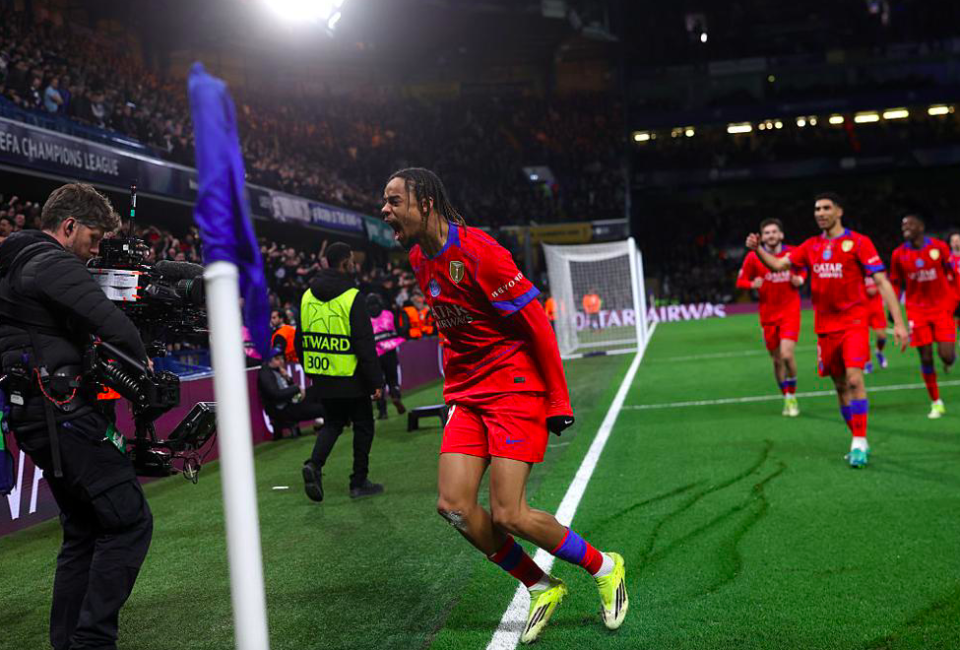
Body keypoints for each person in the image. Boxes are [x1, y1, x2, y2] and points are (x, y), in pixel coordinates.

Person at [381, 167, 628, 644]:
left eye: (394, 201)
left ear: (425, 202)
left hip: (514, 388)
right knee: (453, 506)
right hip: (466, 394)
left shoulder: (481, 253)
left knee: (509, 514)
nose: (385, 210)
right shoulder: (417, 257)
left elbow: (537, 324)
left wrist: (557, 398)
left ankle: (604, 566)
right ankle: (540, 585)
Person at [0, 183, 153, 650]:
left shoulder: (15, 261)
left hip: (36, 414)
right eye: (93, 238)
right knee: (128, 521)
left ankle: (68, 642)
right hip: (61, 411)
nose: (94, 251)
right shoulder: (51, 262)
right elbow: (112, 324)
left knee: (84, 531)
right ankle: (91, 642)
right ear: (68, 226)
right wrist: (144, 363)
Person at [746, 192, 907, 468]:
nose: (820, 213)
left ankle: (858, 441)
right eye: (817, 209)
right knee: (840, 386)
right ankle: (858, 437)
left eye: (825, 208)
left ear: (839, 211)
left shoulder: (859, 242)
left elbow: (882, 281)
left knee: (855, 380)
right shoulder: (811, 246)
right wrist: (757, 249)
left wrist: (899, 322)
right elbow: (778, 264)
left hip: (854, 322)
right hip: (825, 328)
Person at [298, 242, 385, 501]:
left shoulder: (306, 295)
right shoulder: (353, 296)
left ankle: (314, 464)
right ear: (346, 262)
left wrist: (313, 369)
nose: (355, 265)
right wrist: (376, 381)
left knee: (334, 422)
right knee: (364, 425)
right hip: (352, 376)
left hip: (323, 375)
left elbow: (299, 340)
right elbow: (364, 343)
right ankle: (358, 481)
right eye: (352, 261)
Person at [735, 218, 805, 416]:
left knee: (787, 355)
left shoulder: (792, 253)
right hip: (768, 315)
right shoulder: (753, 257)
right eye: (767, 233)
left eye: (774, 232)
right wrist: (752, 285)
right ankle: (787, 397)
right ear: (761, 237)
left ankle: (792, 394)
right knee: (776, 361)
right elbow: (741, 281)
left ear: (781, 234)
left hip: (790, 312)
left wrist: (800, 279)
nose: (771, 235)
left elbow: (804, 269)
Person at [888, 215, 956, 418]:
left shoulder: (938, 247)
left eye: (910, 224)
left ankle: (950, 360)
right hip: (916, 311)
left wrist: (957, 298)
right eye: (903, 225)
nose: (905, 228)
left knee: (946, 356)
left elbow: (953, 273)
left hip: (942, 308)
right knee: (926, 357)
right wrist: (893, 308)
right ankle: (936, 401)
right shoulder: (899, 254)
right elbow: (895, 283)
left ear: (921, 227)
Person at [257, 347, 326, 439]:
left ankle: (321, 423)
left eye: (282, 358)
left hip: (292, 402)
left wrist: (288, 378)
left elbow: (288, 387)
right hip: (283, 409)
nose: (281, 361)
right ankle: (321, 426)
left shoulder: (278, 370)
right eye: (277, 359)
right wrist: (296, 389)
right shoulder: (265, 374)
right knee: (321, 409)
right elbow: (276, 394)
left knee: (318, 390)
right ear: (269, 360)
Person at [366, 293, 407, 419]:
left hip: (375, 354)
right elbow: (399, 329)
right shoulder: (388, 314)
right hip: (390, 351)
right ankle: (395, 396)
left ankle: (382, 412)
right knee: (392, 379)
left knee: (379, 383)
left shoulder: (366, 318)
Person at [862, 276, 889, 373]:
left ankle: (879, 351)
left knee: (882, 336)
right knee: (863, 338)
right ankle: (867, 362)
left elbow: (883, 283)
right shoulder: (858, 270)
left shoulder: (877, 270)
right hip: (862, 307)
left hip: (877, 307)